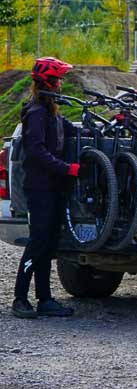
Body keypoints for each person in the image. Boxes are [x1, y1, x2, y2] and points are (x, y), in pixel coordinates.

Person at [12, 57, 78, 319]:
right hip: (39, 188)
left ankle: (45, 299)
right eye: (58, 79)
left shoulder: (52, 111)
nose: (61, 83)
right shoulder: (37, 112)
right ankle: (20, 298)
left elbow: (69, 131)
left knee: (49, 244)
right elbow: (35, 150)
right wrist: (66, 168)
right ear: (48, 82)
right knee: (37, 242)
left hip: (53, 188)